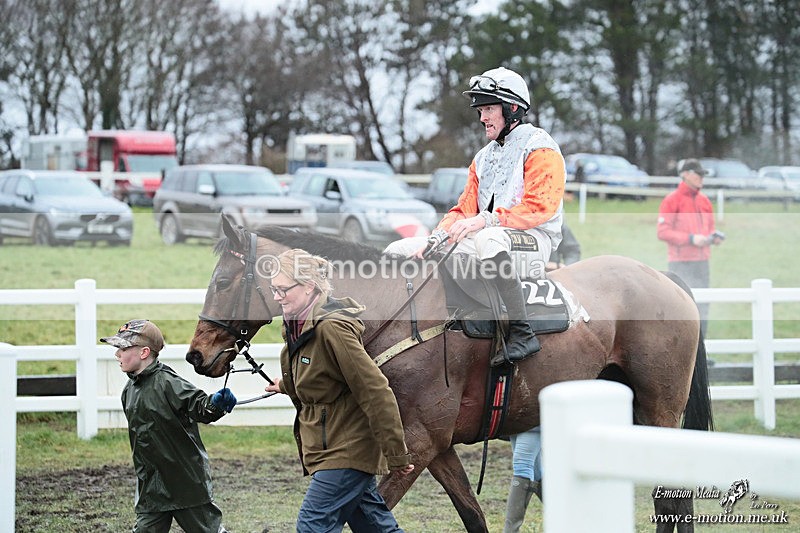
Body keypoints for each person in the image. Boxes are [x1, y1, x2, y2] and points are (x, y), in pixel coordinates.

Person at [385, 66, 566, 366]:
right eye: (480, 110)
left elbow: (539, 207)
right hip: (489, 238)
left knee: (489, 238)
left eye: (489, 109)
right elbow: (463, 209)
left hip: (534, 240)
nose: (482, 117)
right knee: (399, 249)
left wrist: (485, 221)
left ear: (512, 108)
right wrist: (434, 239)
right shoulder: (483, 157)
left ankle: (522, 333)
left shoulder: (541, 148)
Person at [264, 248, 415, 533]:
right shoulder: (299, 325)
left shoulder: (332, 328)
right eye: (274, 289)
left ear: (309, 287)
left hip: (347, 447)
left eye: (283, 289)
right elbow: (324, 376)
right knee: (374, 527)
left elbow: (375, 389)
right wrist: (286, 385)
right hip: (332, 444)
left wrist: (396, 451)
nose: (276, 297)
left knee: (312, 527)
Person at [101, 319, 236, 533]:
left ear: (144, 352)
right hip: (150, 486)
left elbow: (200, 406)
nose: (117, 354)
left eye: (122, 348)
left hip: (184, 483)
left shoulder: (167, 382)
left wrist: (216, 404)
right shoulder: (129, 390)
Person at [657, 158, 724, 334]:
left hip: (702, 262)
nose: (701, 178)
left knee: (703, 307)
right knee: (682, 308)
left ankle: (703, 352)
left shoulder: (705, 200)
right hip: (680, 262)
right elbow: (663, 232)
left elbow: (709, 228)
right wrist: (691, 239)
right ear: (685, 175)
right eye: (698, 174)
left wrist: (713, 238)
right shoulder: (672, 200)